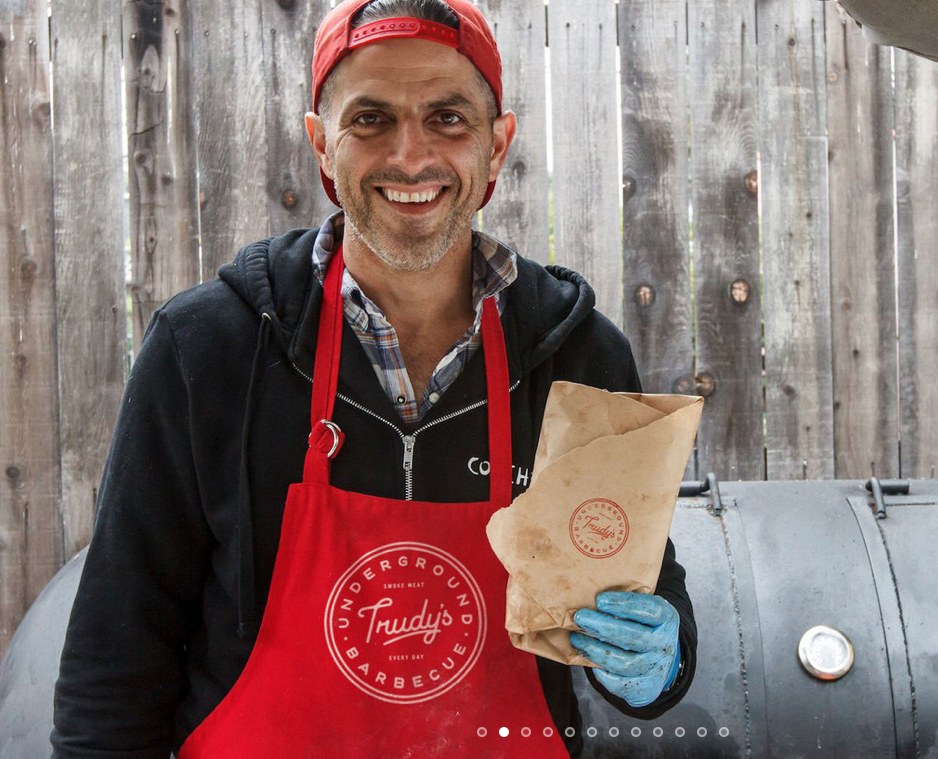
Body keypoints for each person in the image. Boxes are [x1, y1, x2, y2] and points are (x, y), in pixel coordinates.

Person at [51, 0, 697, 756]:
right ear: (322, 146)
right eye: (371, 120)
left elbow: (647, 588)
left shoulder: (576, 358)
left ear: (498, 145)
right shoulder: (207, 351)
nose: (410, 156)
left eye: (449, 118)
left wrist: (661, 657)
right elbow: (113, 666)